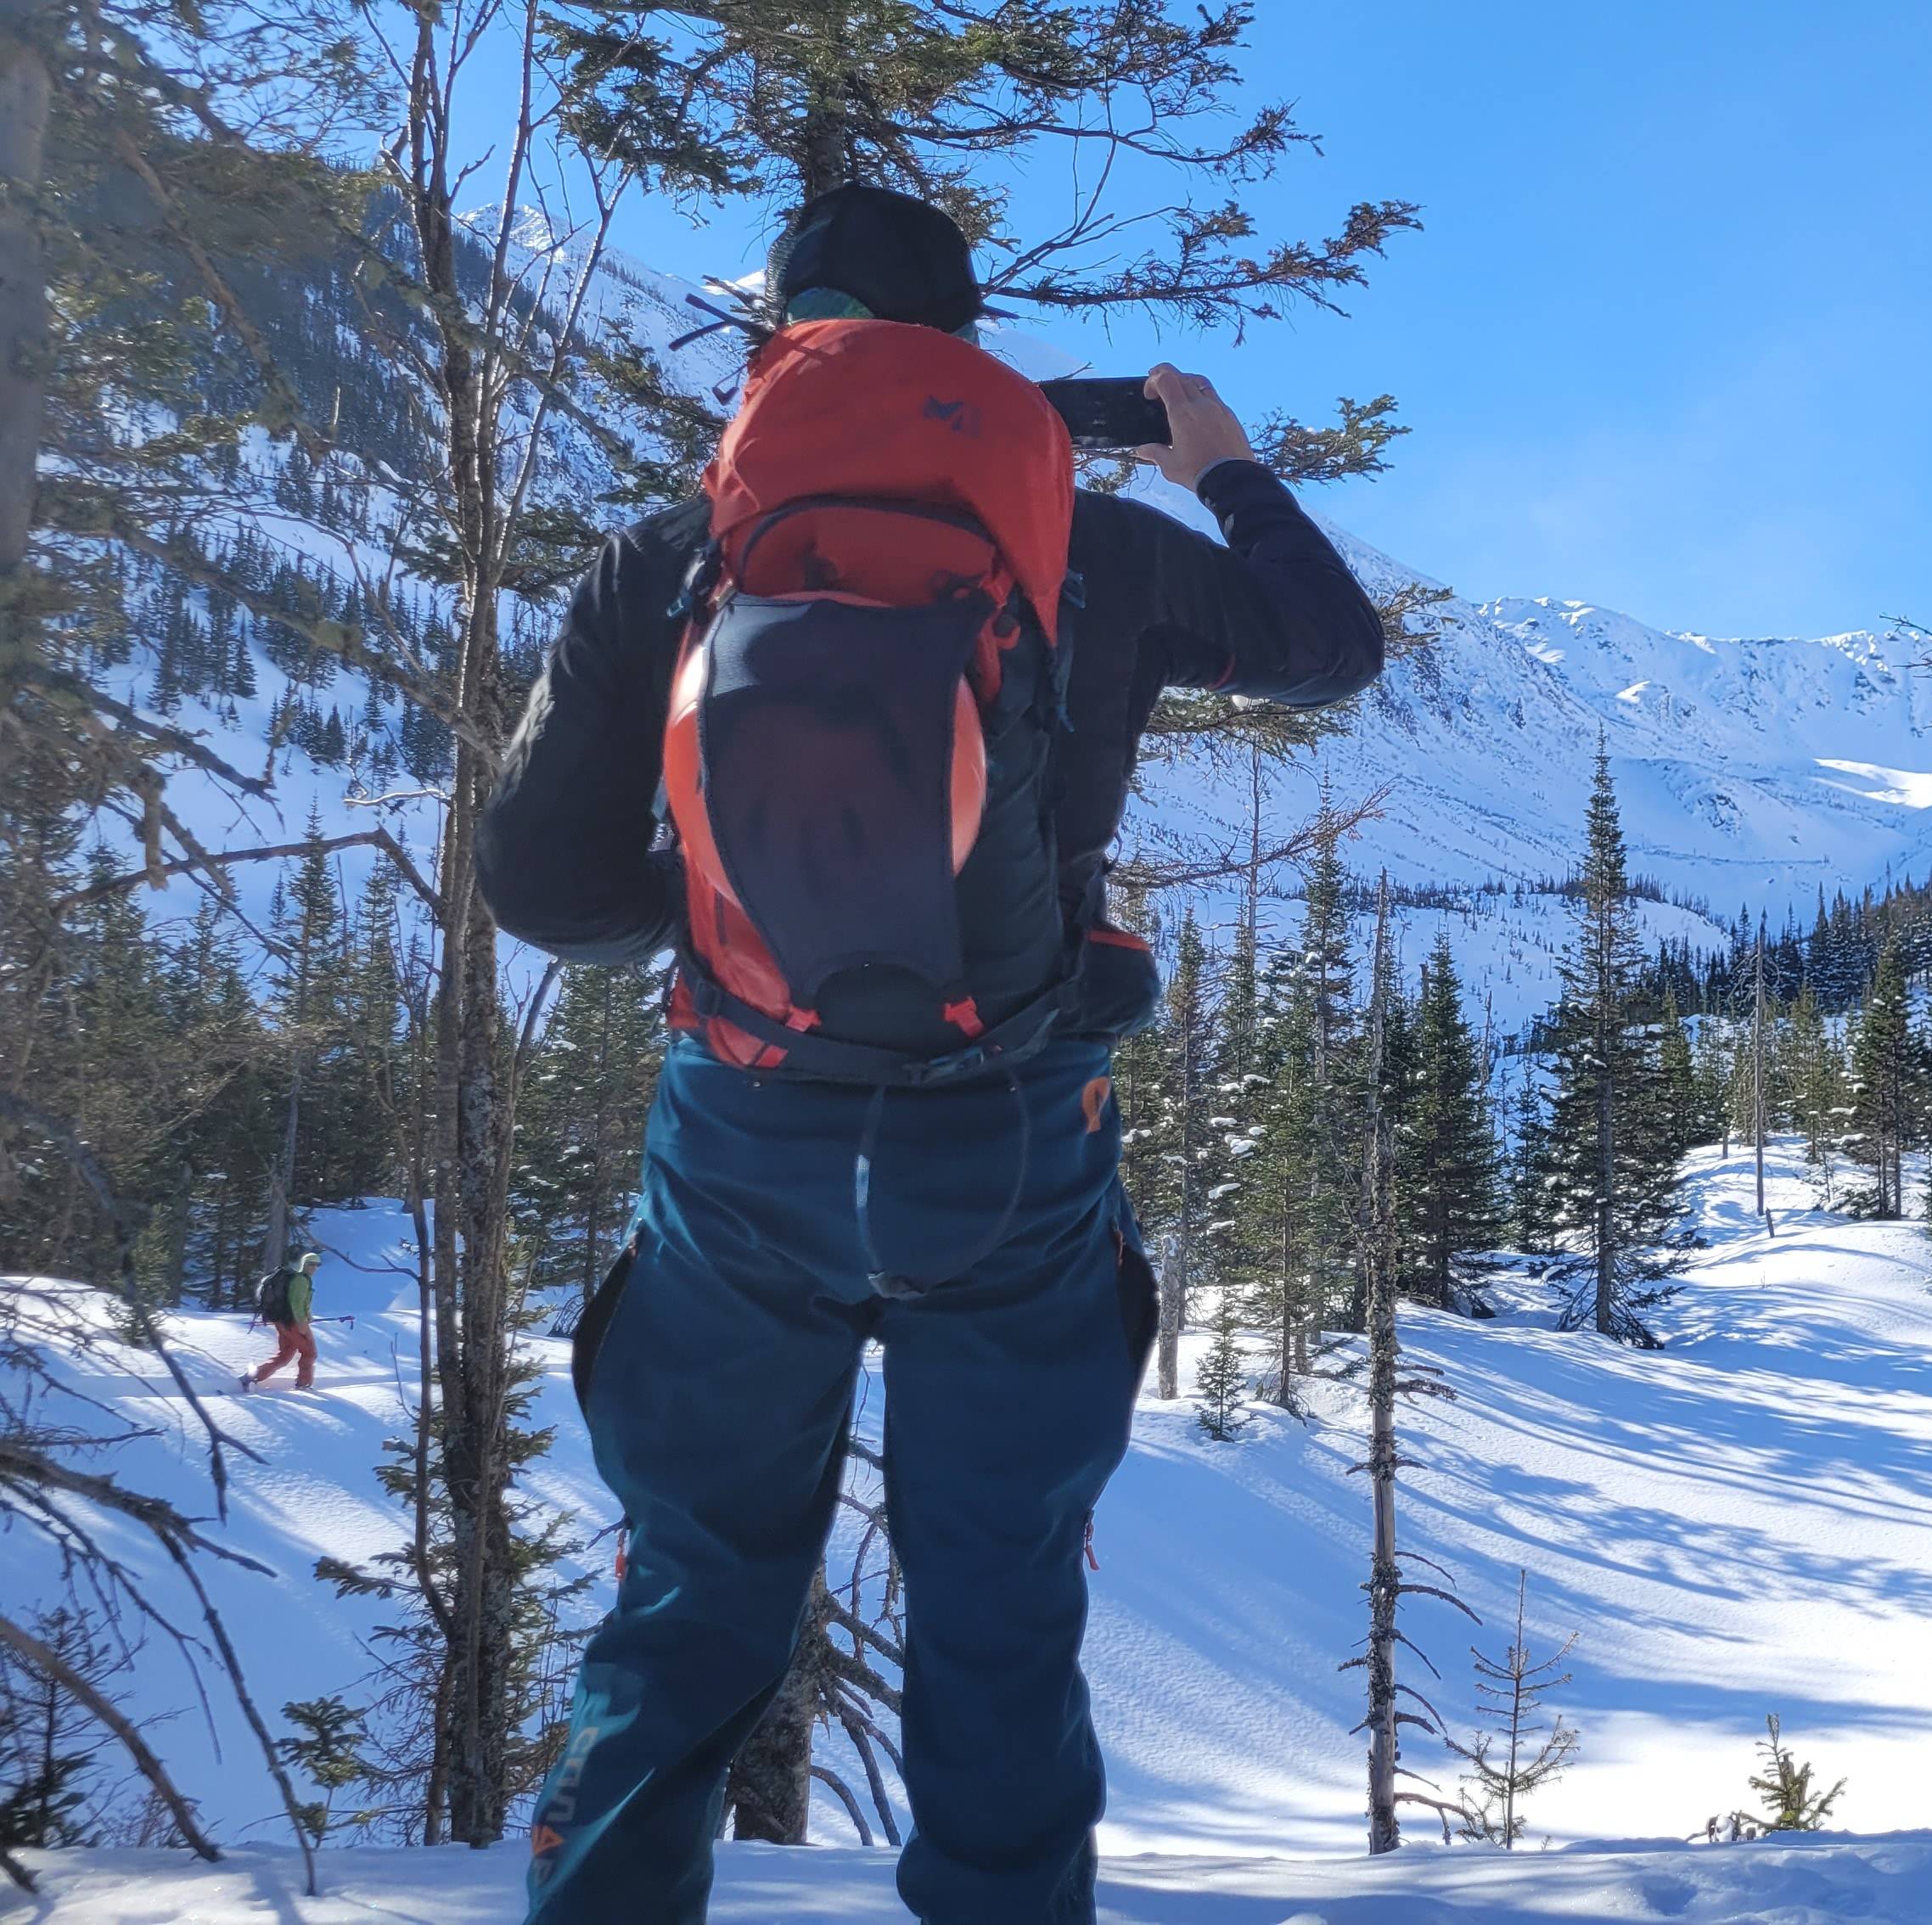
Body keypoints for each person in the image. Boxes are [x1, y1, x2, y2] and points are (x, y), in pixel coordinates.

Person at [482, 183, 1384, 1925]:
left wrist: (735, 911)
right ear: (963, 344)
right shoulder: (1090, 550)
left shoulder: (672, 561)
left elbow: (541, 887)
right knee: (997, 1604)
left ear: (783, 338)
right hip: (1013, 1149)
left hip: (745, 1145)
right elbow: (1330, 652)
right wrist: (1220, 469)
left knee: (691, 1602)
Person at [243, 1248, 320, 1391]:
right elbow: (296, 1304)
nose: (314, 1268)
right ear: (304, 1264)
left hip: (283, 1322)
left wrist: (308, 1316)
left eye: (317, 1265)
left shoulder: (299, 1279)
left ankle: (251, 1377)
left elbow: (302, 1304)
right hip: (294, 1323)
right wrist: (303, 1324)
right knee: (309, 1352)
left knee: (285, 1355)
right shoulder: (301, 1280)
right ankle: (304, 1385)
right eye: (311, 1264)